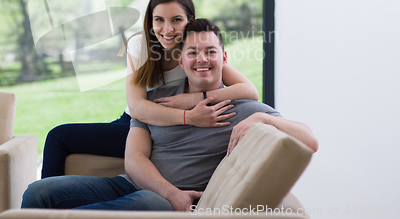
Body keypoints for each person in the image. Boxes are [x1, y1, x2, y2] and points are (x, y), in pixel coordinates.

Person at [22, 19, 318, 211]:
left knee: (148, 203)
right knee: (39, 192)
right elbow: (134, 157)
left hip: (161, 203)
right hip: (129, 183)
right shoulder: (158, 101)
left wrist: (265, 119)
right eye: (193, 52)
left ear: (224, 58)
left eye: (210, 52)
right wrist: (168, 189)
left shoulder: (244, 109)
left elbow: (310, 140)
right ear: (180, 59)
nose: (202, 59)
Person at [41, 0, 258, 178]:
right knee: (58, 137)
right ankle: (42, 211)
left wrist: (195, 98)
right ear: (150, 21)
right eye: (159, 20)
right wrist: (188, 116)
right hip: (135, 125)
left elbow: (249, 91)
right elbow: (136, 107)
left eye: (176, 20)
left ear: (189, 20)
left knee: (59, 136)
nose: (167, 29)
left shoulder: (197, 51)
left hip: (168, 131)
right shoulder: (140, 46)